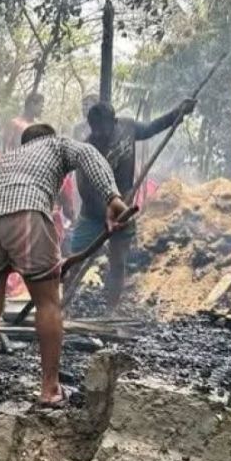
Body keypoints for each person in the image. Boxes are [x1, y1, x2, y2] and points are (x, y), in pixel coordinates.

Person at [0, 124, 128, 410]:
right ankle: (50, 389)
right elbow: (88, 153)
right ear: (49, 137)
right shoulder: (56, 144)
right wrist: (112, 197)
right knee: (48, 303)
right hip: (26, 209)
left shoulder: (8, 158)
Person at [72, 98, 196, 311]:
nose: (100, 134)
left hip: (124, 209)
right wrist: (106, 213)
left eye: (104, 128)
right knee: (75, 261)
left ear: (115, 121)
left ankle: (110, 312)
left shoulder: (128, 128)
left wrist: (178, 113)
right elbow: (85, 190)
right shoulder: (87, 148)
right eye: (96, 129)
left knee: (118, 262)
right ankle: (65, 308)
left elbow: (151, 129)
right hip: (93, 213)